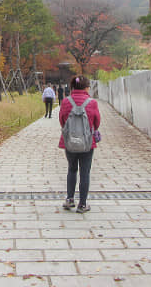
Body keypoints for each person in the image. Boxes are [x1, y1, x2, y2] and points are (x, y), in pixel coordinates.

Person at [58, 75, 100, 213]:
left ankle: (69, 199)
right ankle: (82, 204)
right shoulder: (92, 102)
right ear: (86, 87)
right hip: (87, 142)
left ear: (72, 87)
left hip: (70, 142)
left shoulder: (66, 101)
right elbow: (97, 121)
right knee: (85, 172)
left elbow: (62, 120)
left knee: (71, 169)